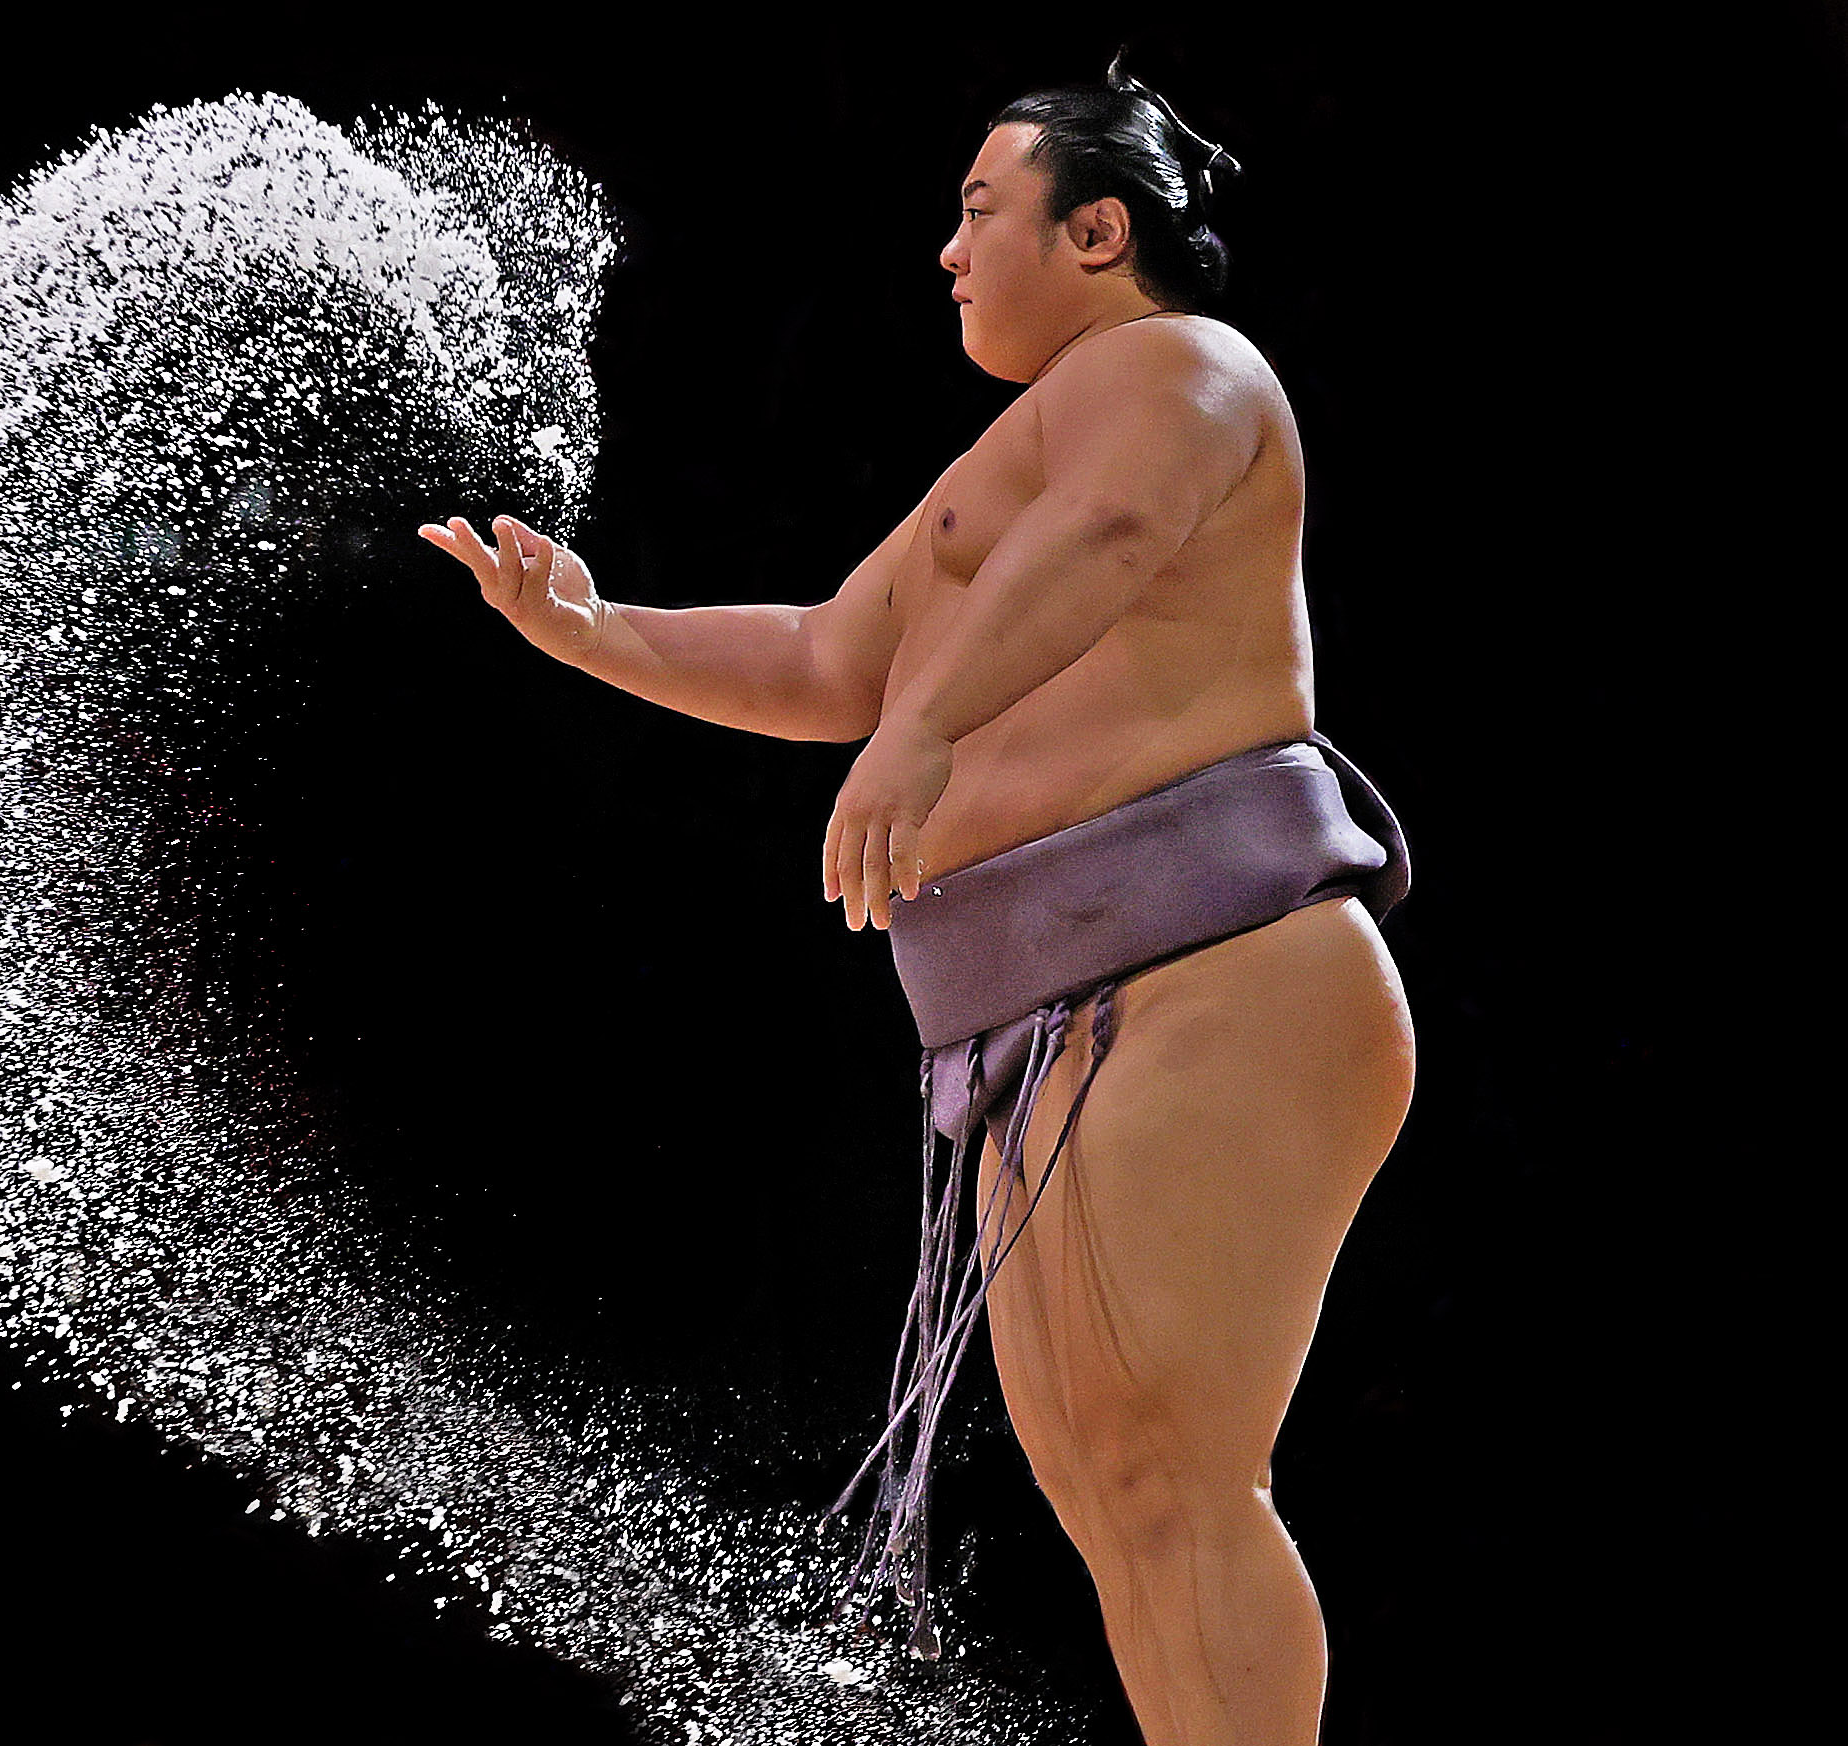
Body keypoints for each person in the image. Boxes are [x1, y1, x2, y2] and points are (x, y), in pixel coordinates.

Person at [421, 61, 1412, 1746]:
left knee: (1175, 1469)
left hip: (1216, 972)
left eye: (979, 211)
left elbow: (1106, 535)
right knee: (1116, 1490)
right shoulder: (1011, 451)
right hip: (1056, 1016)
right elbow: (827, 657)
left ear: (1098, 232)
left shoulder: (1180, 368)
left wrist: (929, 731)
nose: (947, 253)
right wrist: (599, 634)